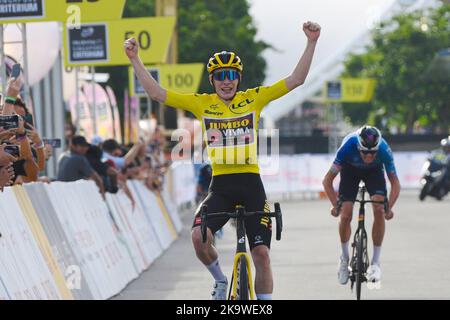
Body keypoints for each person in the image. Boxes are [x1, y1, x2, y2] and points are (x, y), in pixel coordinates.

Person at [125, 21, 321, 300]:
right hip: (221, 187)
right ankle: (219, 280)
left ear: (238, 78)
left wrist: (311, 43)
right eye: (220, 76)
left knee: (262, 255)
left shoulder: (254, 98)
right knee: (197, 238)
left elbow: (296, 79)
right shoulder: (201, 103)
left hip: (251, 184)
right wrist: (135, 59)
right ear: (212, 80)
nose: (226, 80)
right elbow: (157, 94)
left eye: (231, 75)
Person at [322, 125, 401, 285]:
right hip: (350, 171)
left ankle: (376, 263)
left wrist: (389, 208)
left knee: (379, 209)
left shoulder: (384, 149)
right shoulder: (348, 146)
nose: (369, 156)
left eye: (373, 153)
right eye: (365, 152)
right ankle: (344, 258)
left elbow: (395, 183)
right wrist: (335, 205)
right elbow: (327, 181)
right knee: (345, 214)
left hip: (374, 173)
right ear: (358, 147)